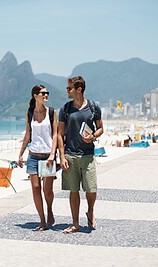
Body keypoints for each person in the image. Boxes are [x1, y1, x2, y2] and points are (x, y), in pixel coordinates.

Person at [58, 76, 103, 233]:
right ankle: (75, 223)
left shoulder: (93, 107)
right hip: (70, 155)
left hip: (88, 155)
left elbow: (100, 128)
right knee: (73, 190)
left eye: (69, 88)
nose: (67, 91)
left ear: (79, 89)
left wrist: (93, 136)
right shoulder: (65, 109)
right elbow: (59, 134)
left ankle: (90, 211)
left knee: (91, 189)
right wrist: (61, 156)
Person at [18, 84, 58, 231]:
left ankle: (49, 209)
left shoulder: (52, 112)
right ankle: (42, 220)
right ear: (35, 96)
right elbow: (28, 135)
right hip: (33, 156)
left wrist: (53, 155)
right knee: (35, 187)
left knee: (47, 190)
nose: (46, 95)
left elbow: (55, 135)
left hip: (48, 156)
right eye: (43, 93)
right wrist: (20, 154)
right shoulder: (29, 113)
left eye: (47, 93)